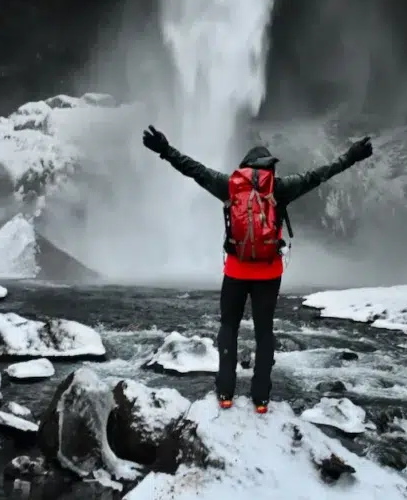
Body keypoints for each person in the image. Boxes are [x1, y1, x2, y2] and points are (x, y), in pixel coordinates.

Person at [141, 124, 374, 413]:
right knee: (264, 331)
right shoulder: (279, 187)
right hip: (268, 273)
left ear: (246, 167)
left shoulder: (229, 185)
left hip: (236, 271)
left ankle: (225, 392)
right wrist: (351, 156)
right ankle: (261, 398)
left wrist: (165, 150)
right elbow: (319, 175)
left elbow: (194, 169)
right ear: (268, 166)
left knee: (229, 327)